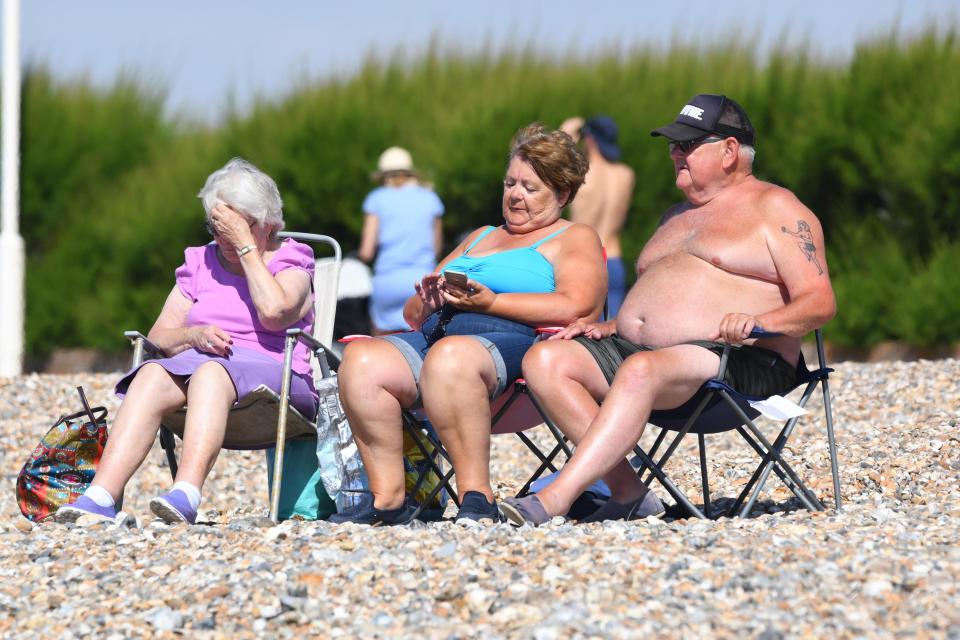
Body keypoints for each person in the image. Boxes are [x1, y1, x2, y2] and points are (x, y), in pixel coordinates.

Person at [502, 94, 837, 526]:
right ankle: (628, 492)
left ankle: (555, 499)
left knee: (642, 371)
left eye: (687, 145)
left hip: (741, 358)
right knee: (546, 359)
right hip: (648, 357)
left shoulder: (776, 209)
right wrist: (611, 324)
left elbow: (819, 302)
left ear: (730, 151)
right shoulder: (675, 215)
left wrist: (760, 323)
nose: (675, 153)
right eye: (673, 145)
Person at [331, 123, 607, 525]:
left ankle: (476, 496)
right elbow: (410, 314)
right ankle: (388, 498)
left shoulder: (572, 236)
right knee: (360, 360)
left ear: (562, 194)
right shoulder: (481, 236)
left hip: (514, 344)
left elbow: (576, 305)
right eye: (510, 183)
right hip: (437, 333)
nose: (514, 195)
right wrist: (427, 301)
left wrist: (492, 302)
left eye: (530, 188)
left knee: (450, 357)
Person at [56, 158, 318, 525]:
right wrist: (192, 335)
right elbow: (159, 336)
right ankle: (101, 495)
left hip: (279, 374)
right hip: (204, 366)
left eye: (239, 225)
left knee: (212, 372)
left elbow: (275, 311)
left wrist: (246, 249)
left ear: (270, 224)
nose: (224, 237)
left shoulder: (292, 259)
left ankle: (187, 493)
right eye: (217, 225)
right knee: (150, 373)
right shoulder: (200, 262)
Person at [359, 146, 445, 334]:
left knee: (382, 346)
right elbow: (437, 248)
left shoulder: (376, 199)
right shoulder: (431, 198)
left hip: (387, 280)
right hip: (423, 281)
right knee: (422, 345)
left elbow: (367, 252)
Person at [560, 115, 635, 316]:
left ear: (590, 139)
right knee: (611, 339)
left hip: (583, 259)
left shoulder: (581, 175)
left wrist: (567, 135)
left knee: (578, 336)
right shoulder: (625, 175)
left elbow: (554, 161)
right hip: (614, 260)